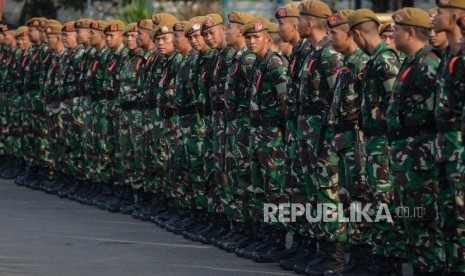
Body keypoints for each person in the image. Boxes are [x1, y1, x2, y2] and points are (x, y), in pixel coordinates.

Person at [387, 7, 446, 274]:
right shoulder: (411, 62)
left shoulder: (429, 65)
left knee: (426, 224)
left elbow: (441, 116)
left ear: (410, 32)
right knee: (411, 222)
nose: (392, 33)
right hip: (407, 158)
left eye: (396, 30)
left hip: (422, 160)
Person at [347, 8, 405, 274]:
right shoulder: (375, 60)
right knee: (375, 200)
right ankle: (380, 257)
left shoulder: (385, 60)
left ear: (358, 34)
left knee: (384, 202)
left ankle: (390, 262)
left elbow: (397, 103)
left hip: (383, 142)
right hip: (373, 141)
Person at [294, 1, 344, 274]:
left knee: (328, 194)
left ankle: (335, 255)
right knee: (314, 193)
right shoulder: (313, 53)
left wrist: (329, 138)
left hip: (324, 137)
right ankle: (320, 248)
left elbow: (338, 100)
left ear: (310, 22)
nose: (296, 23)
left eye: (300, 18)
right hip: (310, 135)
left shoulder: (329, 55)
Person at [324, 9, 371, 275]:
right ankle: (354, 257)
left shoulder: (363, 64)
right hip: (344, 142)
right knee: (347, 200)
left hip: (358, 142)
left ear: (350, 34)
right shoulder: (346, 64)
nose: (330, 37)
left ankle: (364, 258)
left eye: (334, 32)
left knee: (361, 201)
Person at [241, 15, 288, 264]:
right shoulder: (257, 65)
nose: (250, 41)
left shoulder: (274, 64)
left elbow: (284, 103)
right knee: (259, 187)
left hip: (273, 136)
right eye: (247, 37)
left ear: (267, 38)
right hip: (258, 133)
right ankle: (266, 236)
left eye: (255, 37)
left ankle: (278, 241)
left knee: (275, 189)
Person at [274, 3, 313, 268]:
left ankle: (318, 248)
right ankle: (302, 242)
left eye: (282, 24)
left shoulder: (310, 53)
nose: (279, 29)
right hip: (298, 133)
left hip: (310, 134)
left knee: (313, 192)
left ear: (296, 24)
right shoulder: (300, 53)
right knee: (297, 189)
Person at [220, 10, 256, 253]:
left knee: (247, 180)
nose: (226, 31)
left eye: (230, 27)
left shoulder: (248, 61)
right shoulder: (236, 59)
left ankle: (253, 232)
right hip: (235, 127)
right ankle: (242, 229)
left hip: (245, 128)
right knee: (236, 178)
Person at [434, 0, 465, 273]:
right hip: (445, 146)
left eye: (441, 13)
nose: (435, 17)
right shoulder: (449, 53)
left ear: (456, 15)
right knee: (449, 215)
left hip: (459, 147)